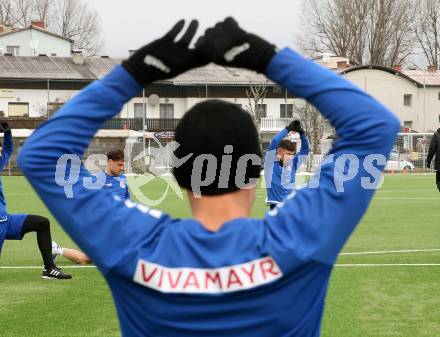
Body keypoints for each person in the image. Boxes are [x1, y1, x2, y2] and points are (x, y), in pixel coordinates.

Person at [18, 18, 400, 337]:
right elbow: (375, 125)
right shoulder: (298, 238)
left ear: (182, 175)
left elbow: (40, 156)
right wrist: (269, 59)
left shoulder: (136, 242)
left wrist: (135, 74)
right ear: (256, 168)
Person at [0, 122, 71, 279]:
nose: (0, 154)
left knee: (42, 223)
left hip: (6, 222)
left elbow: (8, 149)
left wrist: (8, 133)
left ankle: (49, 268)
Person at [52, 149, 129, 265]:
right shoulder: (96, 181)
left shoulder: (123, 179)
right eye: (119, 165)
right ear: (110, 162)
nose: (122, 168)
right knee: (86, 259)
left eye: (123, 165)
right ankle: (56, 249)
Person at [265, 120, 310, 209]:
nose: (290, 157)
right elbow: (274, 141)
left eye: (292, 154)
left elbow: (305, 150)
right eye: (287, 154)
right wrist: (288, 129)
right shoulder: (271, 163)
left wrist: (302, 133)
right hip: (276, 206)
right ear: (279, 152)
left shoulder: (293, 164)